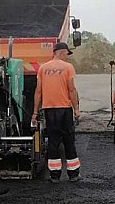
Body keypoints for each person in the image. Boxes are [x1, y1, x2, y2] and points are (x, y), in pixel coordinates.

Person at [31, 41, 81, 183]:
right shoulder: (68, 68)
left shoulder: (43, 68)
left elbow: (38, 91)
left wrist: (35, 113)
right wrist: (76, 109)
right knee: (68, 140)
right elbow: (71, 89)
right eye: (66, 53)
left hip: (49, 110)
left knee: (53, 141)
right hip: (64, 110)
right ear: (60, 52)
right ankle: (73, 174)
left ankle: (54, 175)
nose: (67, 56)